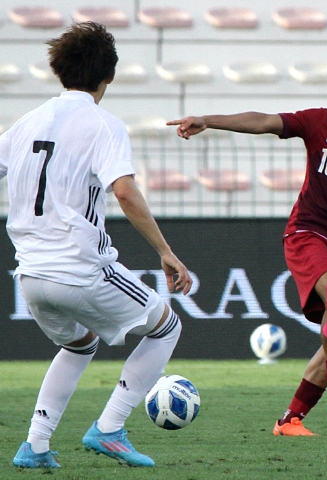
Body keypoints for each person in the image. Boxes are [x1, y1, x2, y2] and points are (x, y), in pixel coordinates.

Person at [168, 61, 327, 436]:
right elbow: (263, 121)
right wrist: (209, 120)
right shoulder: (319, 122)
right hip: (307, 233)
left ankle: (290, 419)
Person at [2, 23, 193, 469]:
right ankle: (109, 428)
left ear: (58, 69)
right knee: (166, 327)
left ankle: (36, 445)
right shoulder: (103, 125)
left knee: (80, 344)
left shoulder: (27, 123)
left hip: (30, 277)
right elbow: (124, 192)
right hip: (80, 269)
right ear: (108, 76)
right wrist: (165, 251)